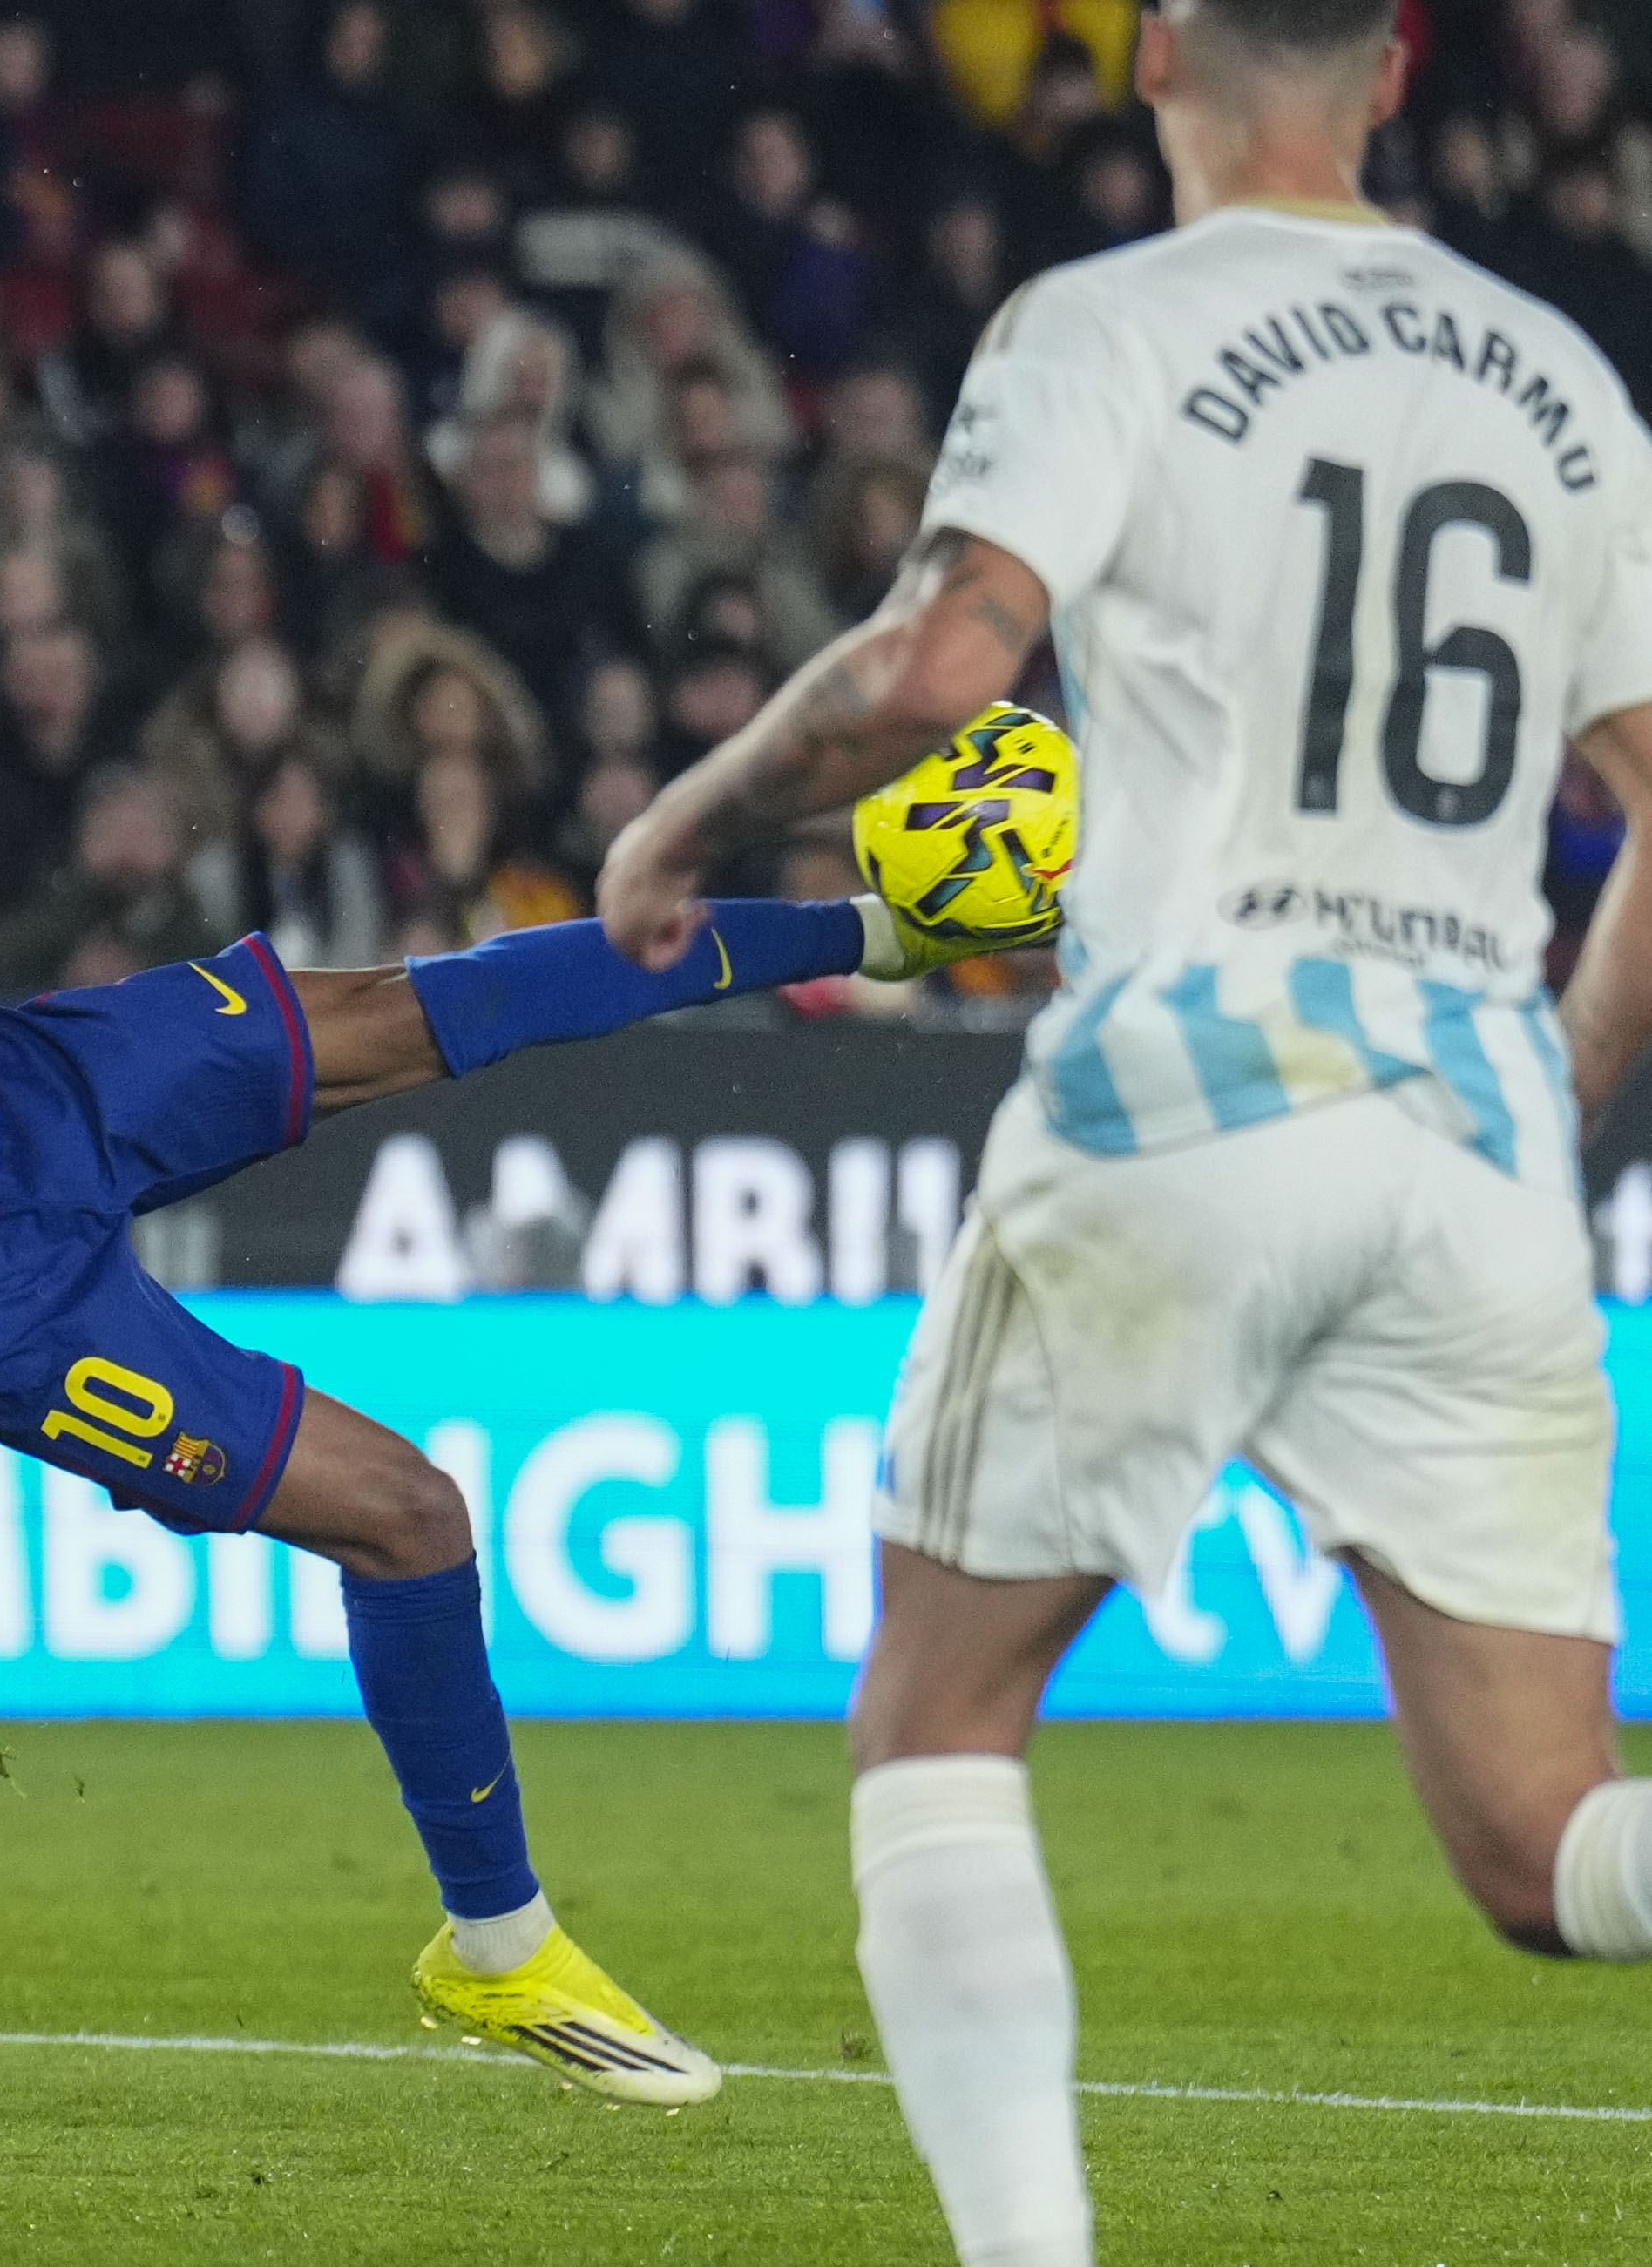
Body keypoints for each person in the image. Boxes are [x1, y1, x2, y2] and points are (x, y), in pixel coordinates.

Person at [593, 4, 1652, 2261]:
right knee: (1549, 1846)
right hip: (1469, 1129)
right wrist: (1545, 1078)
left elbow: (933, 661)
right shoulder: (1554, 377)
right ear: (1388, 64)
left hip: (1192, 1070)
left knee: (937, 1710)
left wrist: (683, 814)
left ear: (1149, 49)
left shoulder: (1102, 325)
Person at [0, 638, 1007, 2107]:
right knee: (410, 1513)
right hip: (5, 1320)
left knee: (403, 1006)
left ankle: (881, 927)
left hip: (1, 1091)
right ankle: (500, 1949)